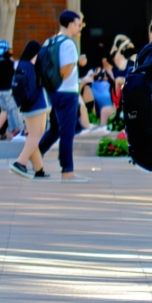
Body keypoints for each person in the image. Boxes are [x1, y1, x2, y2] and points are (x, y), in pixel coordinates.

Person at [38, 10, 90, 183]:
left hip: (53, 92)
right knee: (67, 132)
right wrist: (77, 62)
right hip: (67, 93)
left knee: (54, 129)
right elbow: (65, 71)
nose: (79, 26)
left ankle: (35, 156)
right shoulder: (68, 44)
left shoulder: (50, 41)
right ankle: (67, 171)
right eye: (78, 23)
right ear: (70, 24)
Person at [9, 41, 50, 179]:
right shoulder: (31, 68)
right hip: (36, 105)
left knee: (33, 136)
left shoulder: (21, 65)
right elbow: (34, 88)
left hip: (27, 106)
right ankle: (20, 162)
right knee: (35, 136)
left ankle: (39, 169)